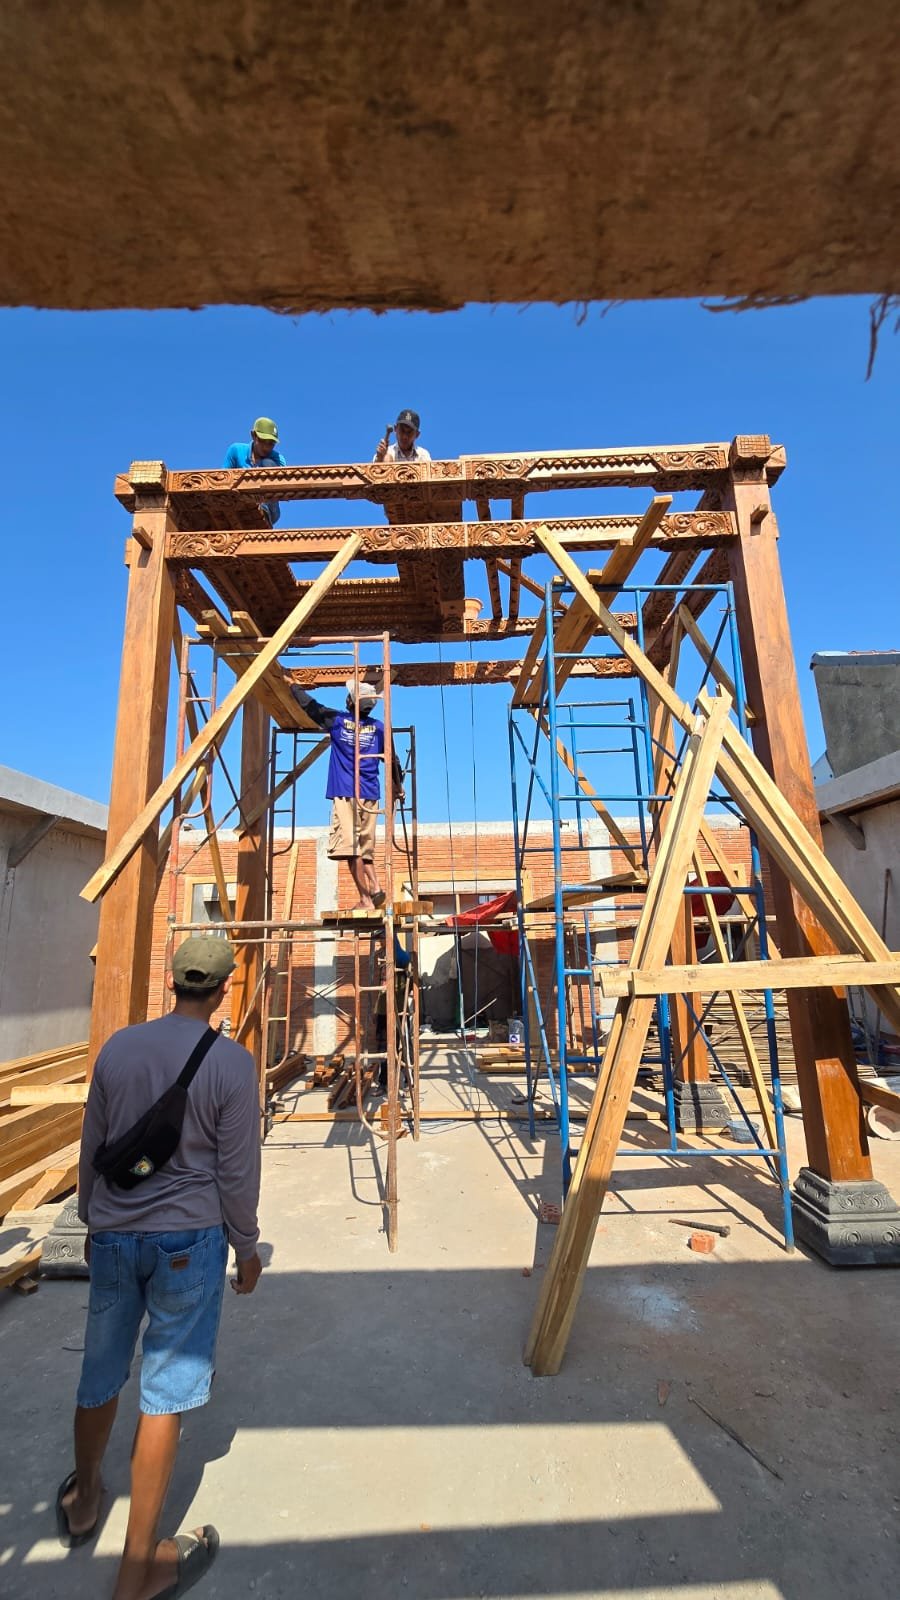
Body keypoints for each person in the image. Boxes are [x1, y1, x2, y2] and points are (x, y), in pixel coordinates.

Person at [59, 936, 262, 1600]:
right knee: (166, 1395)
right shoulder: (231, 1064)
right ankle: (136, 1572)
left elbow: (93, 1143)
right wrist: (246, 1245)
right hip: (189, 1241)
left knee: (100, 1371)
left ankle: (84, 1500)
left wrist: (91, 1219)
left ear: (173, 981)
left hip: (116, 1233)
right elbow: (237, 1171)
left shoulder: (119, 1049)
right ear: (223, 989)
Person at [291, 677, 404, 911]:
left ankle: (366, 900)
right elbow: (393, 760)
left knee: (350, 848)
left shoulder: (338, 722)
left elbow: (310, 706)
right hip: (370, 795)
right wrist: (398, 786)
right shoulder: (380, 728)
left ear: (351, 702)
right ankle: (375, 887)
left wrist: (292, 685)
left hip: (346, 792)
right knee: (364, 846)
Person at [223, 416, 286, 525]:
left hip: (271, 510)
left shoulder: (278, 459)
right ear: (253, 435)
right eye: (263, 441)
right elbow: (223, 479)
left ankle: (263, 511)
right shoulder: (236, 450)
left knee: (268, 464)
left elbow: (282, 486)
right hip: (241, 503)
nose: (266, 447)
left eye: (271, 443)